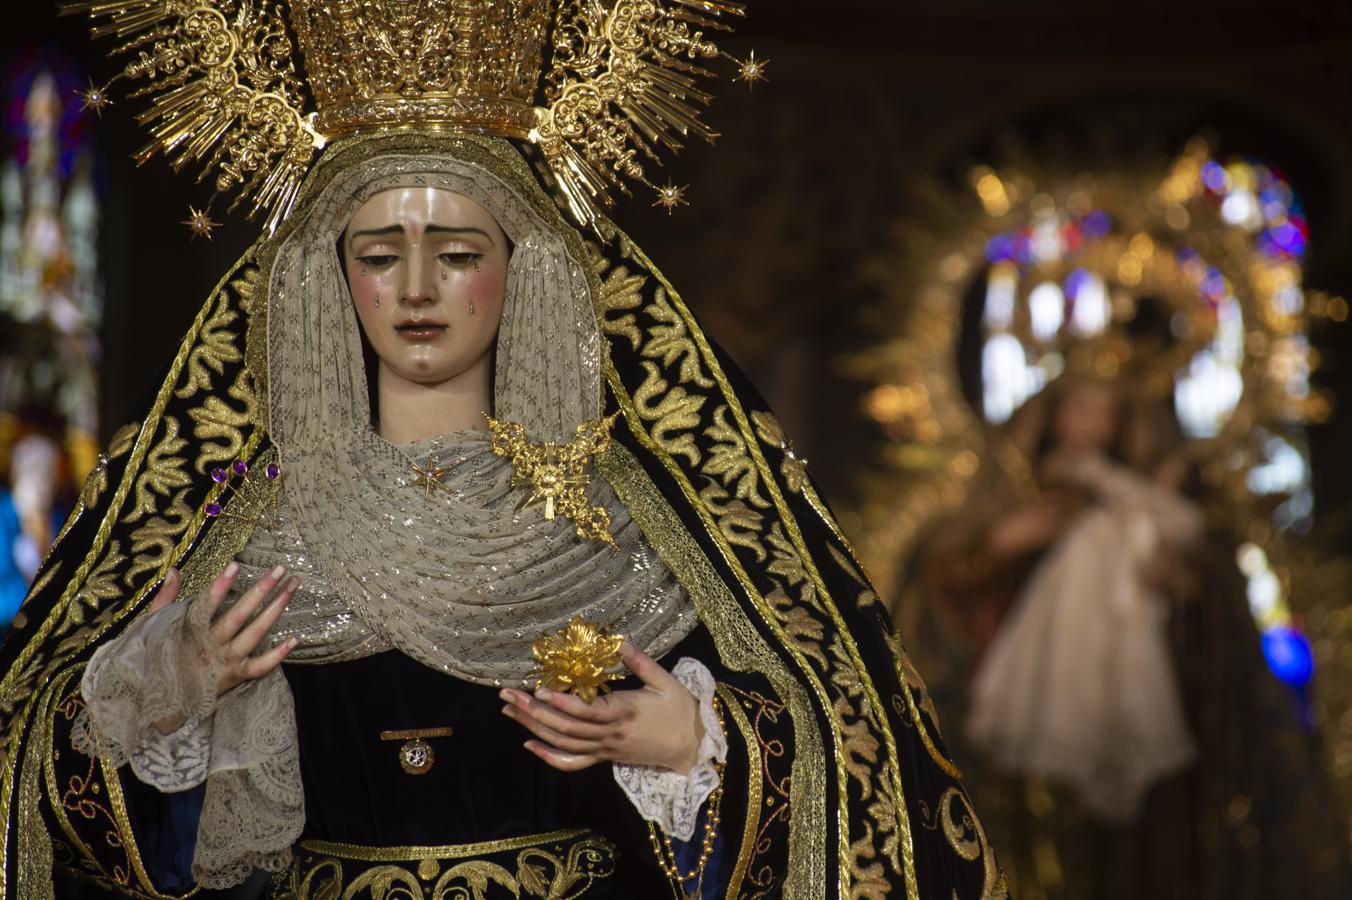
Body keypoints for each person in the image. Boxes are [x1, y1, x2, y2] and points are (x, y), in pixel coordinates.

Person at [0, 3, 1003, 898]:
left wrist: (701, 747)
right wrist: (163, 700)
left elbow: (846, 752)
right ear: (330, 278)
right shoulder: (245, 525)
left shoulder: (631, 524)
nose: (417, 289)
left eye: (461, 254)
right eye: (380, 255)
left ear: (524, 272)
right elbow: (39, 793)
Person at [903, 373, 1350, 900]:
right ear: (1050, 411)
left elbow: (1210, 591)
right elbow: (940, 585)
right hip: (1033, 705)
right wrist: (1002, 544)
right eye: (1077, 407)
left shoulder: (1154, 495)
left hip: (1138, 700)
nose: (1088, 424)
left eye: (1103, 410)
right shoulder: (1015, 489)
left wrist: (1180, 584)